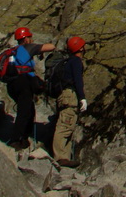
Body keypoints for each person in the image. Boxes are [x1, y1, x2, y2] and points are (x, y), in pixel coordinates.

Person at [6, 27, 55, 150]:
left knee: (29, 110)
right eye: (30, 37)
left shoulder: (15, 51)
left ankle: (23, 138)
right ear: (26, 38)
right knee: (25, 111)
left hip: (13, 83)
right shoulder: (28, 47)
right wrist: (39, 50)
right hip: (23, 82)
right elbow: (51, 46)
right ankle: (16, 140)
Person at [52, 36, 88, 168]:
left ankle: (65, 157)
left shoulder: (67, 62)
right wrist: (82, 97)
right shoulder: (76, 62)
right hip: (70, 95)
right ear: (81, 48)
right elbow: (78, 80)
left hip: (62, 95)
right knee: (65, 125)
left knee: (67, 124)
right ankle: (60, 157)